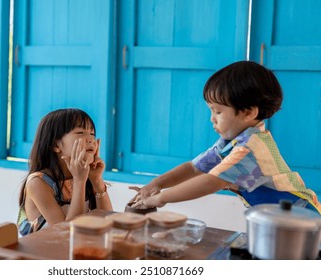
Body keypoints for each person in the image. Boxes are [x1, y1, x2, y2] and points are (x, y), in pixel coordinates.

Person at [130, 61, 321, 215]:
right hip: (276, 218)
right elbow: (193, 168)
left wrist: (160, 198)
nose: (211, 119)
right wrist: (156, 184)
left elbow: (211, 181)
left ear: (248, 112)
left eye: (218, 111)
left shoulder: (251, 149)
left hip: (304, 218)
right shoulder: (231, 142)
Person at [17, 108, 113, 236]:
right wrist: (79, 181)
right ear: (55, 145)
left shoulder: (84, 174)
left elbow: (106, 220)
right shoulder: (38, 183)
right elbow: (68, 233)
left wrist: (97, 181)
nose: (90, 140)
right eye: (80, 133)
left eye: (92, 134)